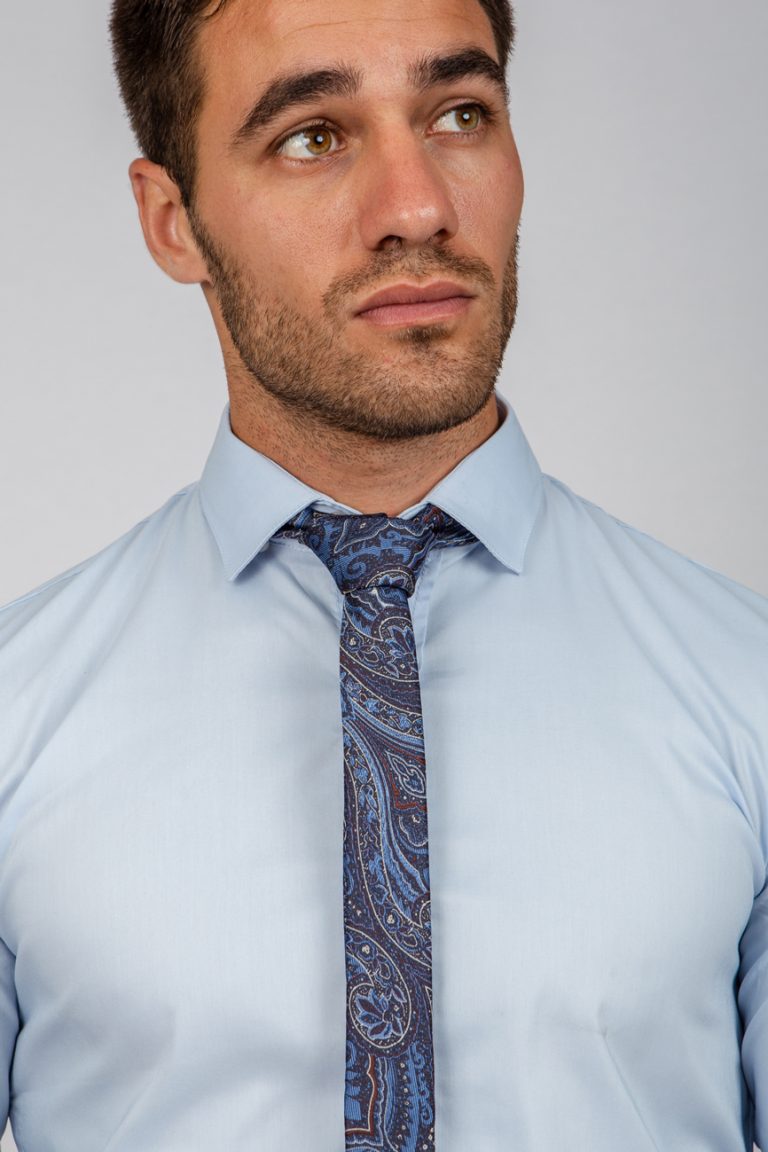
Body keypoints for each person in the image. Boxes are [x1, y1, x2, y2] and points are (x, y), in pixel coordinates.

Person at [0, 0, 766, 1148]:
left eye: (459, 114)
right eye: (313, 135)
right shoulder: (16, 711)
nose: (418, 207)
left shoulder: (747, 684)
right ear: (173, 222)